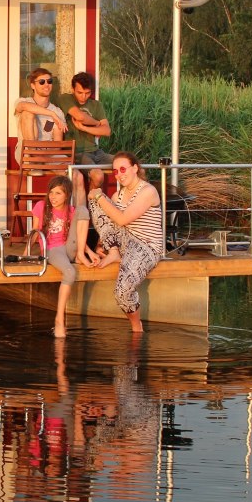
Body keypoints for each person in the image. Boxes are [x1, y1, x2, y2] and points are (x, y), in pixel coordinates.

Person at [85, 152, 165, 333]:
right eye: (115, 171)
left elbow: (121, 219)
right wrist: (100, 245)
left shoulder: (148, 191)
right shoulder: (118, 195)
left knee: (122, 292)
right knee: (97, 202)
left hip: (146, 246)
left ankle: (137, 327)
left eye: (123, 169)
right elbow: (109, 222)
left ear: (135, 168)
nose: (119, 174)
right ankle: (113, 252)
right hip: (125, 242)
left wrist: (98, 195)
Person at [30, 175, 92, 338]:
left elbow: (77, 235)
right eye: (51, 192)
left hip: (70, 248)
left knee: (83, 209)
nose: (53, 197)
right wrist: (26, 253)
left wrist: (89, 252)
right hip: (53, 250)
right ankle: (59, 319)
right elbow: (35, 232)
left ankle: (80, 255)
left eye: (58, 193)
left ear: (67, 195)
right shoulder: (41, 206)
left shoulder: (71, 211)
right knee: (70, 272)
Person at [58, 72, 113, 191]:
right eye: (80, 93)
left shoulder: (96, 105)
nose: (83, 97)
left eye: (87, 93)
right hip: (77, 153)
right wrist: (97, 123)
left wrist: (84, 128)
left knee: (134, 165)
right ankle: (93, 208)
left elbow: (107, 131)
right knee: (98, 176)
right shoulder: (65, 98)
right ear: (73, 89)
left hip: (97, 152)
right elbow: (80, 117)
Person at [12, 67, 66, 157]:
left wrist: (44, 155)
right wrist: (51, 114)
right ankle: (34, 156)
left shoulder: (57, 112)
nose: (46, 85)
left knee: (71, 170)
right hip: (26, 153)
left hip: (48, 153)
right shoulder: (23, 101)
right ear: (33, 85)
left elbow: (57, 144)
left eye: (49, 81)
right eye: (42, 82)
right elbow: (24, 106)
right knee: (28, 112)